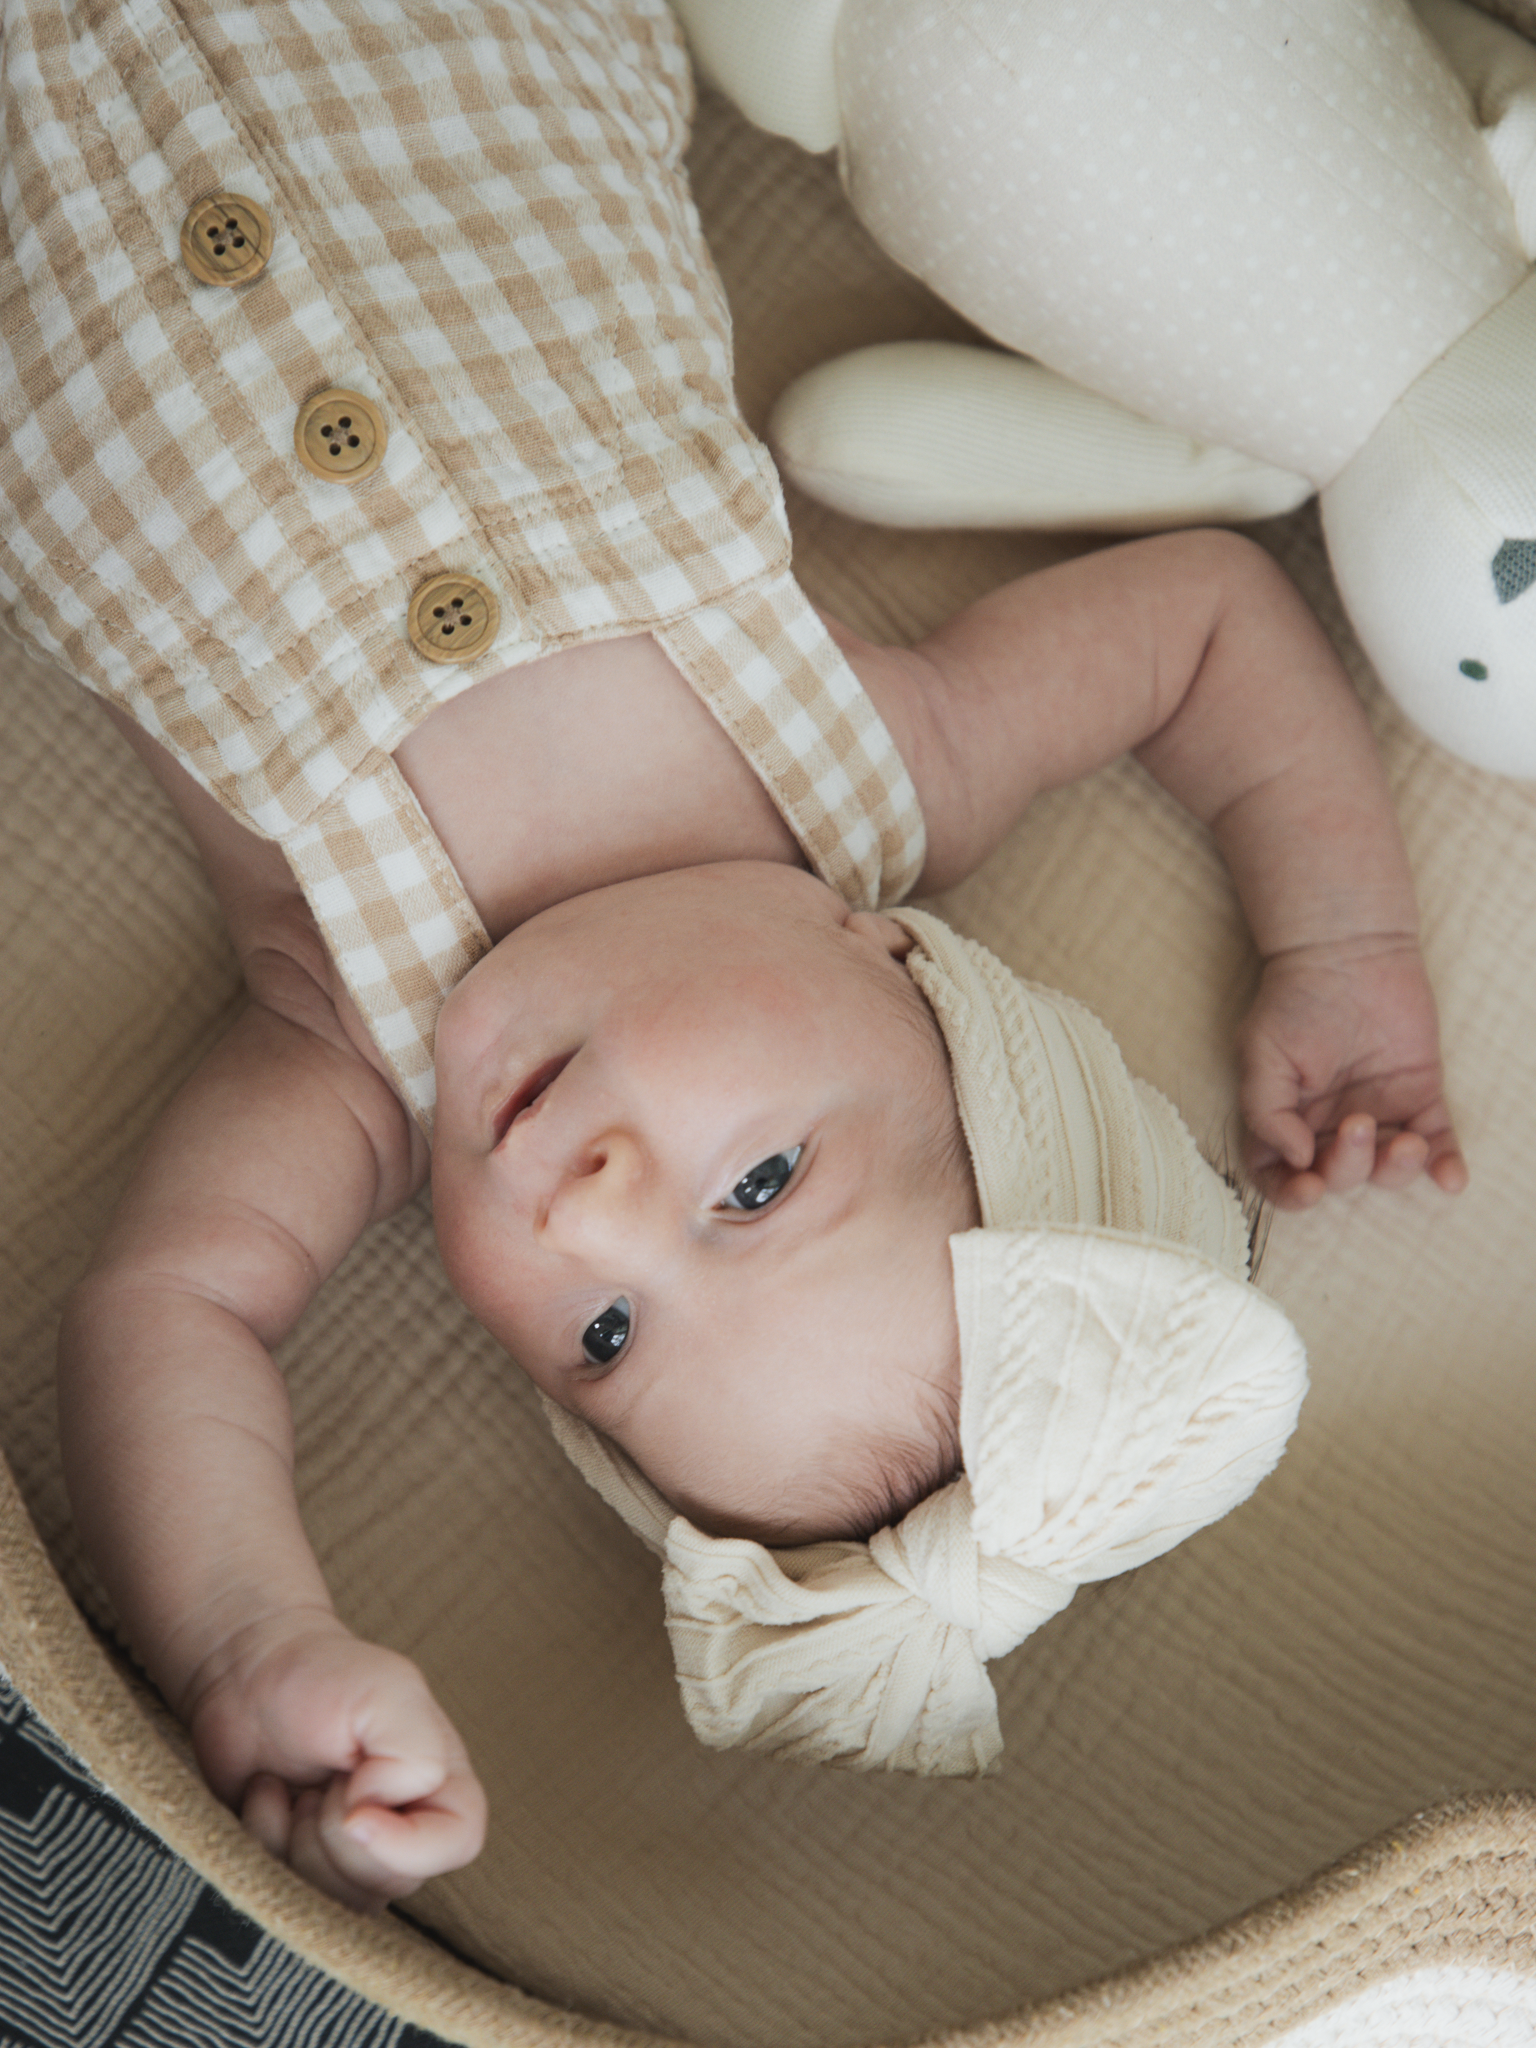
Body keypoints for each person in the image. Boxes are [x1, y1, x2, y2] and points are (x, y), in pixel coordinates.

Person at [9, 0, 1459, 1924]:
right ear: (910, 979)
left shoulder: (355, 1051)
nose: (590, 1211)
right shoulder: (888, 767)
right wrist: (1341, 941)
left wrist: (253, 1637)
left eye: (605, 1340)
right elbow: (1202, 628)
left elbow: (167, 1310)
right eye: (758, 1186)